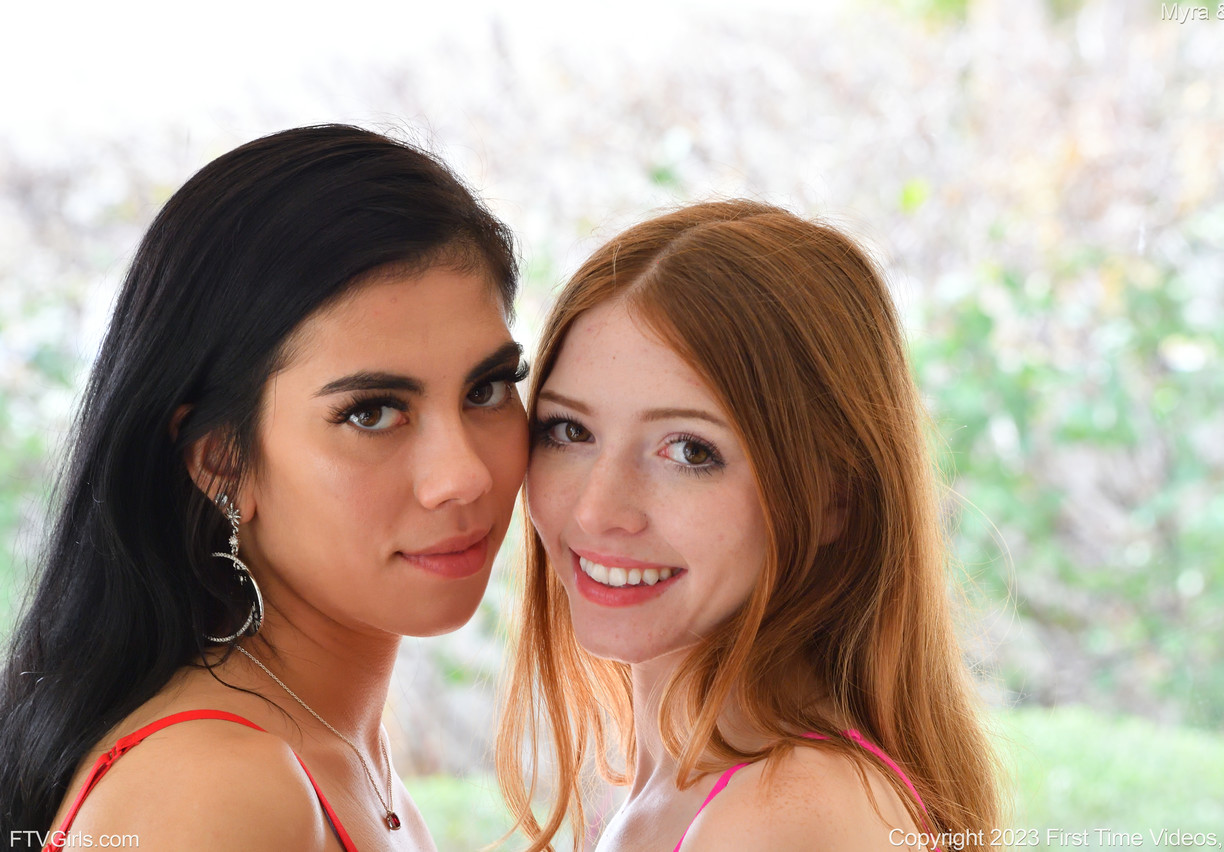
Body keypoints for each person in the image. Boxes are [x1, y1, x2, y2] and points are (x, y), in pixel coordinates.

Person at [0, 125, 528, 851]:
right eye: (372, 413)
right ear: (223, 462)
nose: (464, 475)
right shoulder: (218, 791)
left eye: (488, 388)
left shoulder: (329, 745)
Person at [498, 200, 1003, 851]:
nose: (597, 511)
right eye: (570, 431)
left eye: (689, 450)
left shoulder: (779, 815)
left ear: (834, 498)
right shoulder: (684, 790)